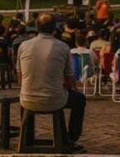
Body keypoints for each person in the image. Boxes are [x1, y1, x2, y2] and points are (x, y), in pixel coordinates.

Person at [16, 12, 86, 152]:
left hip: (27, 99)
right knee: (79, 99)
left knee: (26, 92)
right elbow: (69, 82)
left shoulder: (23, 46)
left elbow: (20, 80)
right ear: (55, 28)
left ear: (37, 27)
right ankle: (71, 139)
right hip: (55, 99)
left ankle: (28, 138)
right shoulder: (63, 47)